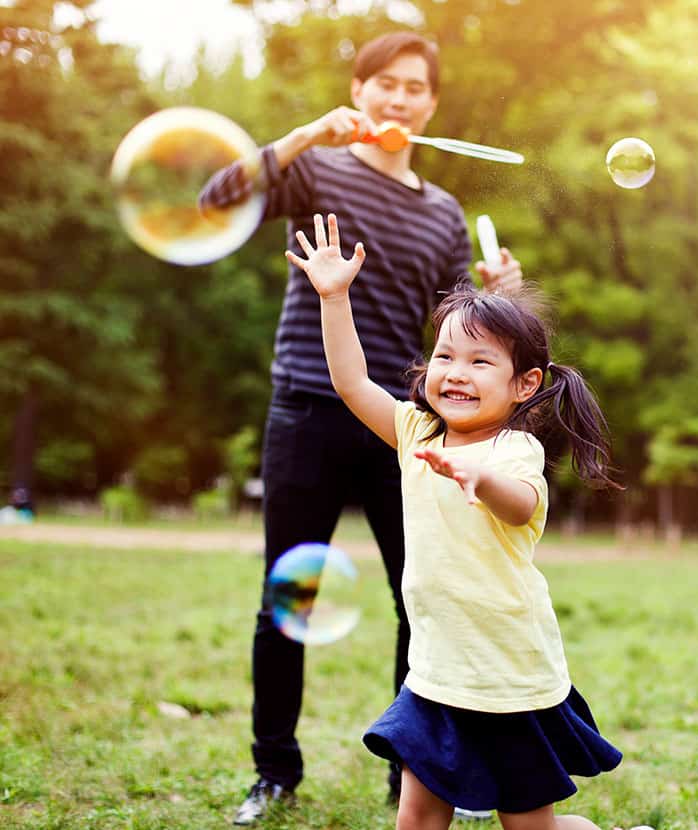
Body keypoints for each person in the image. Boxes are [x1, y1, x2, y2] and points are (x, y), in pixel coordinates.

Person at [199, 32, 522, 825]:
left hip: (399, 428)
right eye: (385, 83)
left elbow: (455, 335)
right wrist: (307, 133)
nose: (399, 98)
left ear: (431, 104)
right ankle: (274, 774)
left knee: (423, 601)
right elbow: (216, 197)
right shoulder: (316, 169)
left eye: (414, 87)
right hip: (306, 407)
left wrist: (499, 296)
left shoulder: (443, 213)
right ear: (360, 90)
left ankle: (413, 778)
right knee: (287, 601)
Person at [287, 212, 623, 830]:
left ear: (526, 385)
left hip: (508, 672)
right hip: (438, 670)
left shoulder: (513, 452)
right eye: (445, 355)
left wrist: (480, 478)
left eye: (478, 362)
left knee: (527, 827)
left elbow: (520, 503)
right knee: (417, 813)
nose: (455, 373)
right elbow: (352, 381)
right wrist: (335, 299)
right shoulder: (416, 431)